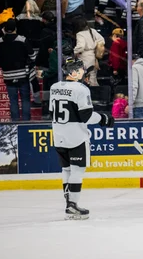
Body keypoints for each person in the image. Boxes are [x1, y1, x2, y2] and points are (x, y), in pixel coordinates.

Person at [50, 58, 115, 220]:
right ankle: (72, 205)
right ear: (72, 72)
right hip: (76, 136)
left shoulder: (54, 87)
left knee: (66, 170)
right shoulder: (80, 89)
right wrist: (103, 118)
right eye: (79, 69)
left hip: (59, 135)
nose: (82, 72)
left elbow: (52, 111)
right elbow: (86, 116)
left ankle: (68, 203)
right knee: (77, 171)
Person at [0, 19, 36, 121]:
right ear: (16, 29)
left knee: (13, 100)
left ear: (4, 29)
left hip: (8, 75)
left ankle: (15, 122)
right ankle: (26, 121)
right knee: (25, 99)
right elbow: (33, 56)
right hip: (23, 75)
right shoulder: (22, 39)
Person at [73, 17, 105, 87]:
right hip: (93, 57)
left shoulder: (80, 34)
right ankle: (96, 93)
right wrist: (95, 45)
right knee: (92, 77)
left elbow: (81, 47)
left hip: (84, 58)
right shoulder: (92, 30)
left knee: (85, 79)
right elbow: (102, 40)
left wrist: (74, 52)